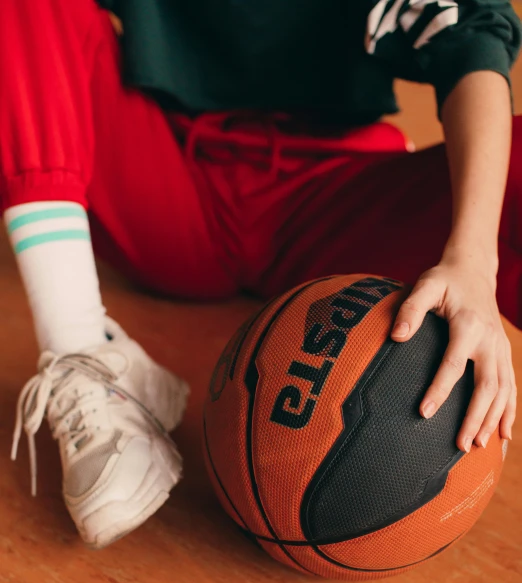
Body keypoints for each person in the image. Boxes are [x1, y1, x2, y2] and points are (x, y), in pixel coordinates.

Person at [1, 0, 521, 549]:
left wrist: (474, 264)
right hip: (166, 184)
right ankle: (81, 348)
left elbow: (471, 40)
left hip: (334, 201)